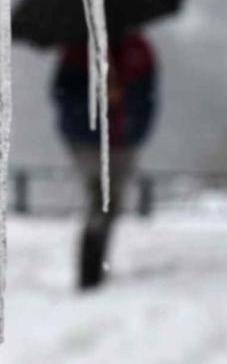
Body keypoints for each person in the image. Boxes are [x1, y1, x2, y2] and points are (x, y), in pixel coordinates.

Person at [52, 31, 158, 290]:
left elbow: (147, 96)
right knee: (99, 198)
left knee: (111, 202)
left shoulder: (139, 51)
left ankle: (96, 263)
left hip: (122, 139)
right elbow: (62, 93)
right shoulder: (79, 50)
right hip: (88, 139)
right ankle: (90, 269)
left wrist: (130, 120)